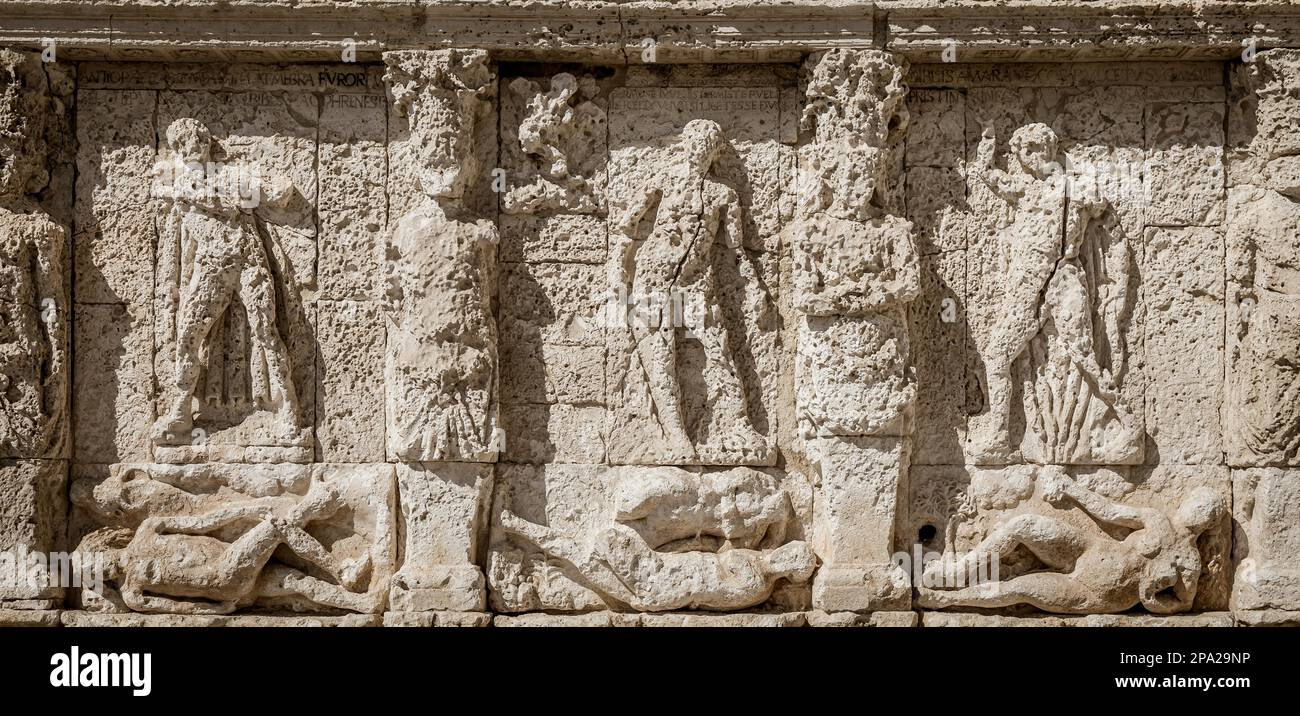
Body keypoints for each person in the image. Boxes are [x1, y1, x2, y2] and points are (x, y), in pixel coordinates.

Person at [612, 119, 769, 458]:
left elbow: (736, 249)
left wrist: (755, 289)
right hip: (655, 278)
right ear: (685, 144)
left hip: (697, 282)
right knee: (661, 354)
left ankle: (737, 423)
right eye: (696, 141)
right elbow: (628, 226)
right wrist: (618, 269)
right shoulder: (663, 181)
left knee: (719, 349)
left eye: (708, 144)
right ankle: (676, 436)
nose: (700, 149)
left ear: (715, 153)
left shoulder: (722, 194)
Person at [151, 118, 299, 443]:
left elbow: (282, 191)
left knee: (266, 331)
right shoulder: (179, 192)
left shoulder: (230, 177)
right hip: (210, 268)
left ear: (206, 144)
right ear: (177, 152)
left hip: (248, 260)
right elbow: (178, 248)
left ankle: (288, 406)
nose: (190, 151)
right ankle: (180, 409)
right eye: (182, 146)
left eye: (195, 143)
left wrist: (249, 183)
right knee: (188, 336)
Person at [918, 466, 1226, 614]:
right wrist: (1070, 488)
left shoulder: (1189, 561)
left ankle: (948, 600)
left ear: (1208, 522)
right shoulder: (1156, 519)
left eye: (1204, 508)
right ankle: (958, 572)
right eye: (1197, 502)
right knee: (1026, 524)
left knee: (1020, 588)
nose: (1195, 509)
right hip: (1089, 550)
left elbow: (1183, 603)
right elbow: (1108, 511)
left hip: (1099, 594)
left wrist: (1151, 600)